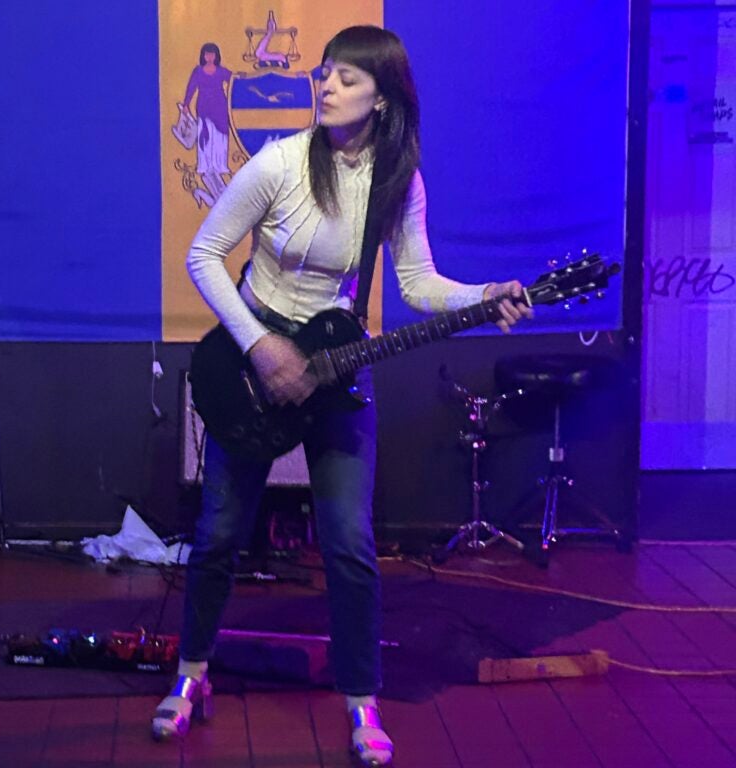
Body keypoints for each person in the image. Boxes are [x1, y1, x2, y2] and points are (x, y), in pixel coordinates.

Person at [152, 25, 533, 767]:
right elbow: (202, 254)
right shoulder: (280, 163)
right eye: (324, 73)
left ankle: (363, 705)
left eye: (347, 78)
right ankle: (191, 675)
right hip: (250, 360)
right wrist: (262, 346)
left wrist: (486, 294)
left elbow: (418, 284)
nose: (326, 86)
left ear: (383, 101)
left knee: (350, 545)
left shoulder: (398, 179)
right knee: (220, 535)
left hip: (334, 371)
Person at [181, 43, 233, 207]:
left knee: (219, 137)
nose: (209, 57)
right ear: (203, 56)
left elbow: (234, 79)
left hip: (219, 107)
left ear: (216, 56)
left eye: (212, 54)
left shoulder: (221, 71)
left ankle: (218, 164)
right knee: (206, 136)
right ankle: (206, 164)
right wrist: (186, 104)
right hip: (204, 107)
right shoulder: (198, 72)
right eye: (207, 54)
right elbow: (191, 88)